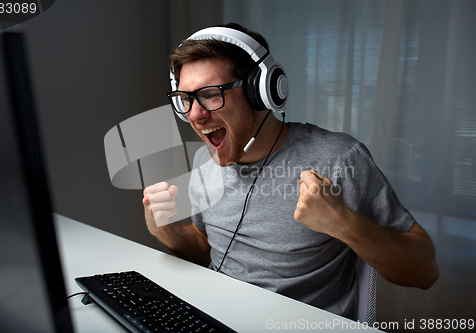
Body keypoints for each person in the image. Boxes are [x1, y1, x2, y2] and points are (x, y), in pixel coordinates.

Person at [142, 23, 439, 320]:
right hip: (213, 318)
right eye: (185, 98)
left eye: (210, 94)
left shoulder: (339, 158)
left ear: (261, 91)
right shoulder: (202, 162)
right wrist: (166, 231)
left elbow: (425, 271)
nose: (194, 114)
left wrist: (344, 224)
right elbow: (208, 251)